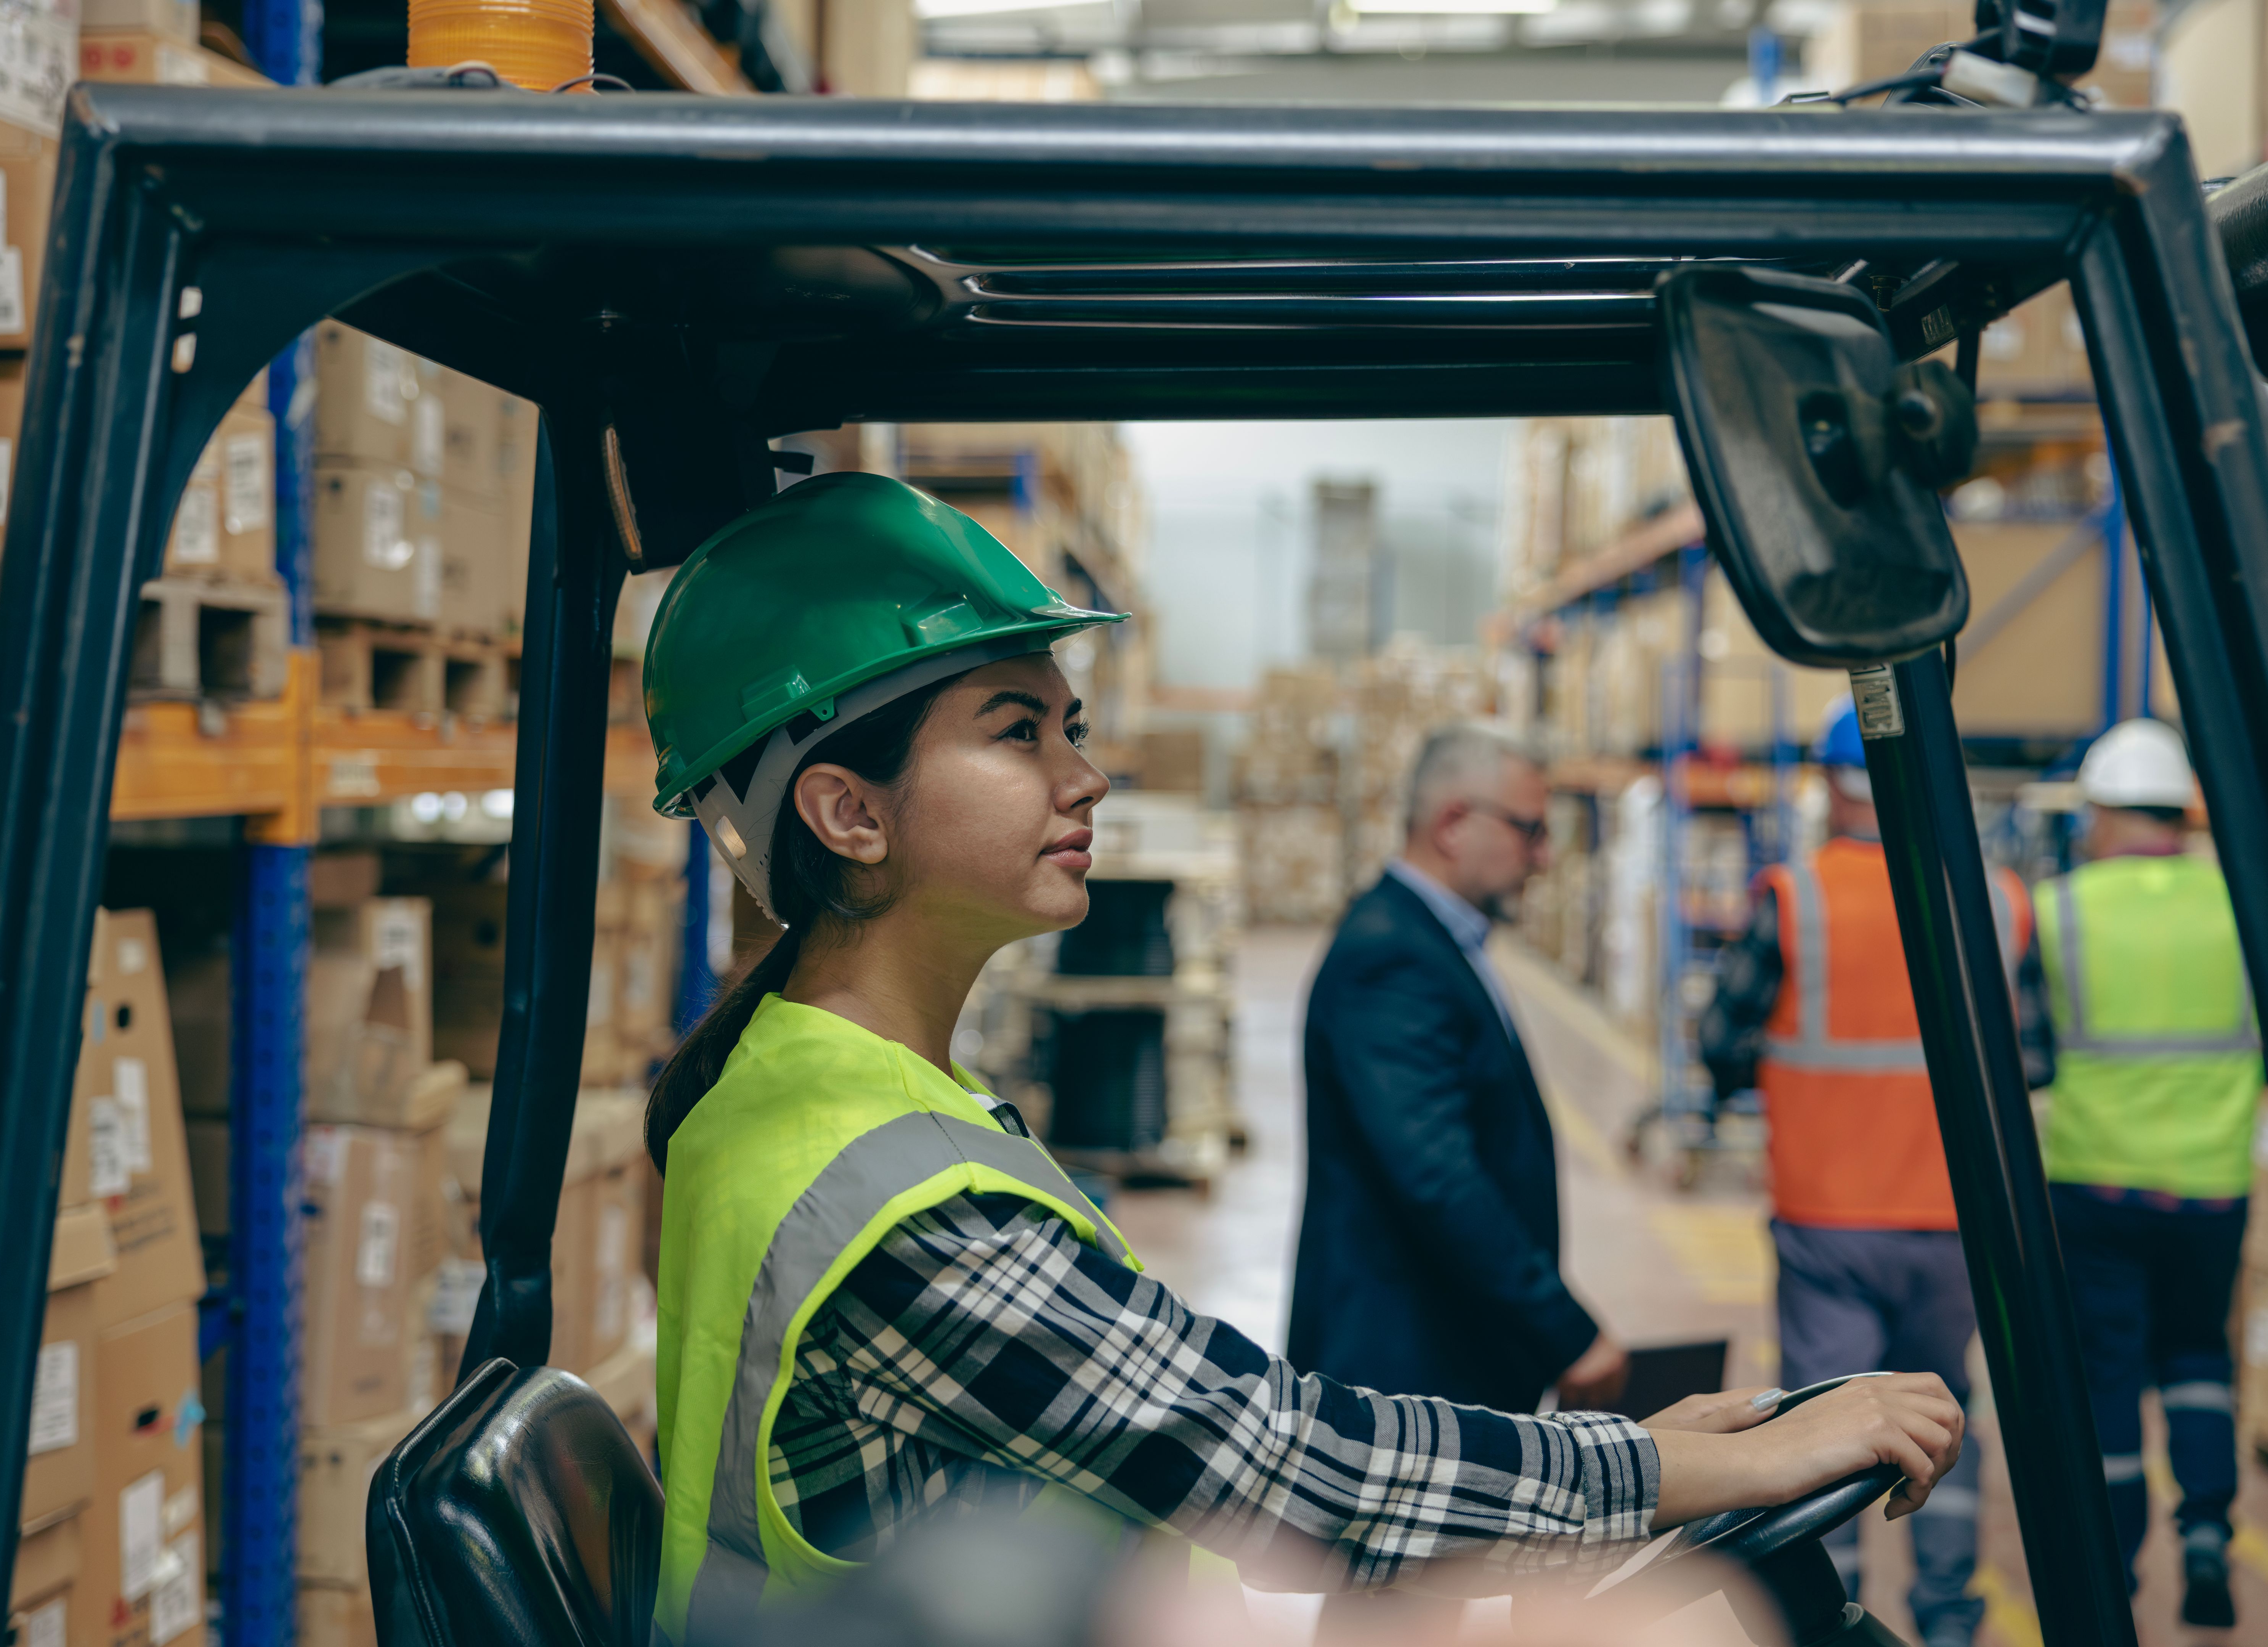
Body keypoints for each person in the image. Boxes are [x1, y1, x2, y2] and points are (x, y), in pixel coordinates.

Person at [640, 471, 1967, 1644]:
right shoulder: (892, 1202)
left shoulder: (806, 1090)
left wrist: (1638, 1455)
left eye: (1072, 726)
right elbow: (1286, 1469)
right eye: (1014, 730)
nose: (1084, 776)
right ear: (846, 812)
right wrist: (1679, 1471)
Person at [1699, 695, 2031, 1647]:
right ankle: (1947, 1612)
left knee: (1830, 1418)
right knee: (1942, 1410)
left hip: (1827, 1217)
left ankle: (1833, 1617)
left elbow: (1722, 1040)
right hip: (1953, 1221)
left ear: (1830, 786)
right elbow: (2035, 1058)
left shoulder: (1793, 897)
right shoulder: (1996, 899)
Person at [1286, 723, 1627, 1417]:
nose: (1544, 856)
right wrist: (1565, 1331)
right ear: (1451, 824)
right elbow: (1438, 1175)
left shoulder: (1435, 939)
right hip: (1402, 1373)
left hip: (1441, 1357)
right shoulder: (1391, 959)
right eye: (1530, 830)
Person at [2021, 718, 2258, 1628]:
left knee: (2106, 1377)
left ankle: (2112, 1569)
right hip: (2207, 1185)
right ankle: (2206, 1535)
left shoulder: (2060, 909)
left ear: (2107, 814)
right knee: (2198, 1359)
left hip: (2093, 1180)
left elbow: (2029, 1053)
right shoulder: (2240, 902)